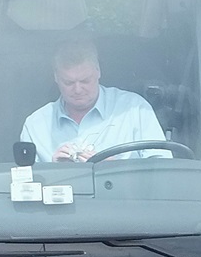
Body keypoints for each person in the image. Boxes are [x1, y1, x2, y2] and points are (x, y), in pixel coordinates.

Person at [19, 37, 170, 163]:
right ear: (56, 78)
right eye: (69, 83)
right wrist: (55, 172)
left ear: (98, 71)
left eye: (85, 81)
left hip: (125, 198)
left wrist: (117, 172)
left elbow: (163, 170)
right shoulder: (36, 125)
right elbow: (25, 184)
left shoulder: (134, 109)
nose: (78, 89)